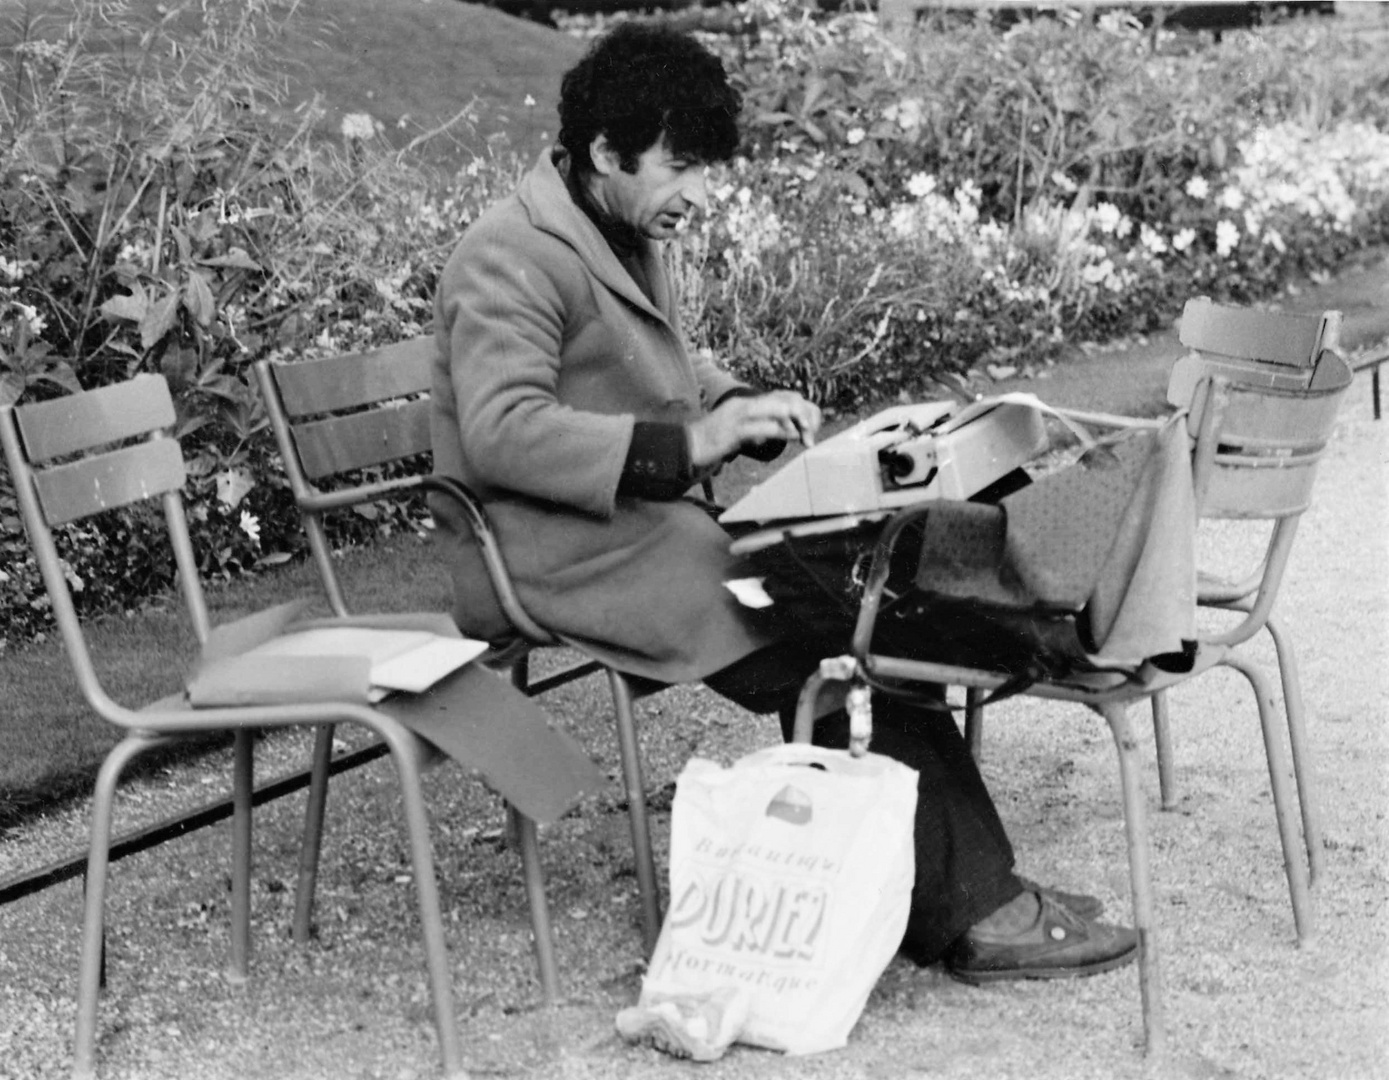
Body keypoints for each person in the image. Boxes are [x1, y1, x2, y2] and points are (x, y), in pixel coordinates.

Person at [429, 20, 1137, 1028]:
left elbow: (671, 367)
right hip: (556, 554)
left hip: (638, 531)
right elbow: (504, 434)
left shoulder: (610, 225)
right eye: (683, 168)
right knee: (831, 634)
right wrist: (696, 446)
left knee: (862, 592)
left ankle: (961, 887)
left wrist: (744, 399)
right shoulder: (508, 256)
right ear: (604, 152)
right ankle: (977, 909)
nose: (699, 195)